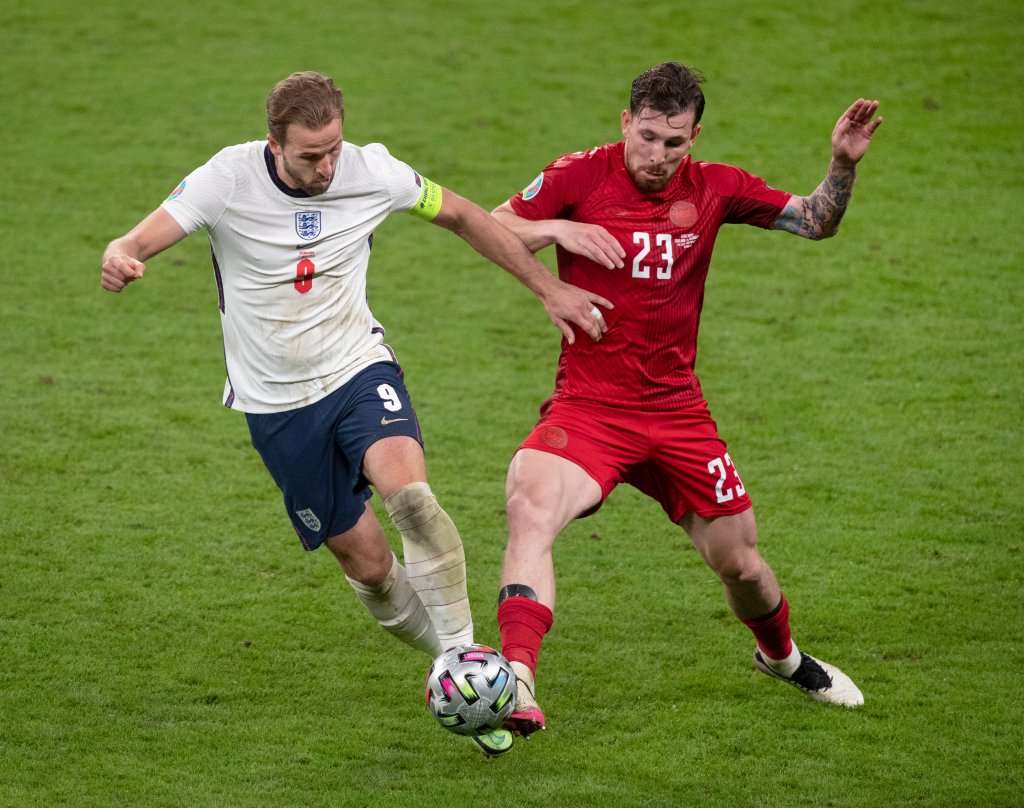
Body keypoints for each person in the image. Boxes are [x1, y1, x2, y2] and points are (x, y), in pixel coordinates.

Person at [100, 71, 610, 757]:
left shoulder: (373, 172)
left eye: (333, 148)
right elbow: (138, 239)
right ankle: (446, 665)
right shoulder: (226, 179)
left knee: (414, 499)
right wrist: (122, 256)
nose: (327, 165)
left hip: (357, 370)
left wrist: (547, 289)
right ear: (274, 144)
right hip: (276, 406)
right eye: (311, 155)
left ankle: (474, 667)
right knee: (369, 567)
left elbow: (462, 213)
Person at [491, 62, 882, 738]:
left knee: (743, 565)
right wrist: (557, 230)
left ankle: (782, 658)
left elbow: (817, 222)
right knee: (529, 505)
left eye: (675, 143)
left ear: (694, 136)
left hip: (677, 414)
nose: (658, 156)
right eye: (647, 138)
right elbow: (490, 224)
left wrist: (841, 164)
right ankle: (515, 680)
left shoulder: (717, 187)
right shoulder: (577, 176)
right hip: (590, 408)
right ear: (625, 123)